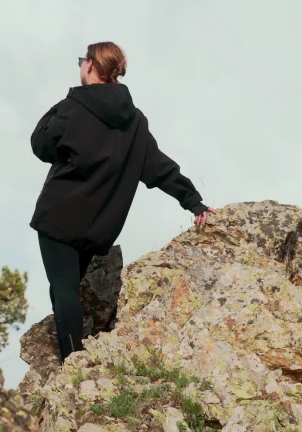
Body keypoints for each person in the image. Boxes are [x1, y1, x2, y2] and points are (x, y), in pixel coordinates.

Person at [29, 41, 216, 363]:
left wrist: (62, 105)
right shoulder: (135, 121)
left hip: (59, 214)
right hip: (99, 225)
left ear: (90, 65)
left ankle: (71, 363)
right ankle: (73, 356)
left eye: (82, 61)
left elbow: (41, 145)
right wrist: (193, 201)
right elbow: (157, 167)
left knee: (63, 290)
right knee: (66, 289)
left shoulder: (74, 106)